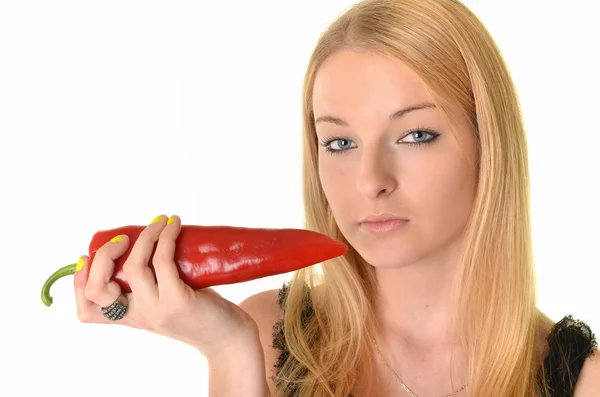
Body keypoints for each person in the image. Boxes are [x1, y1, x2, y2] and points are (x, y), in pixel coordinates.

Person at [72, 0, 599, 396]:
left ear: (490, 143)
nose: (370, 180)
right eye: (340, 142)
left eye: (415, 135)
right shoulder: (266, 337)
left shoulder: (581, 382)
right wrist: (228, 349)